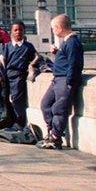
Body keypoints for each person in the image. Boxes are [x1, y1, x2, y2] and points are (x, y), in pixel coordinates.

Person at [39, 14, 84, 150]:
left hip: (64, 80)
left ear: (59, 28)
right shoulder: (67, 42)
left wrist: (70, 82)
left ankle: (56, 137)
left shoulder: (72, 43)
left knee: (59, 109)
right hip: (57, 79)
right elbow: (66, 60)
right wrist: (57, 53)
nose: (53, 31)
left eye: (53, 28)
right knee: (45, 105)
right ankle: (52, 131)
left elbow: (74, 64)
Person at [0, 20, 39, 129]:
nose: (18, 32)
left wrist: (33, 66)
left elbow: (37, 58)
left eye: (20, 30)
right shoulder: (7, 47)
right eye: (15, 30)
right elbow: (0, 62)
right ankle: (9, 121)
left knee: (16, 100)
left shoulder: (28, 47)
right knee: (5, 100)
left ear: (24, 32)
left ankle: (19, 123)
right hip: (7, 77)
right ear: (11, 32)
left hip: (19, 76)